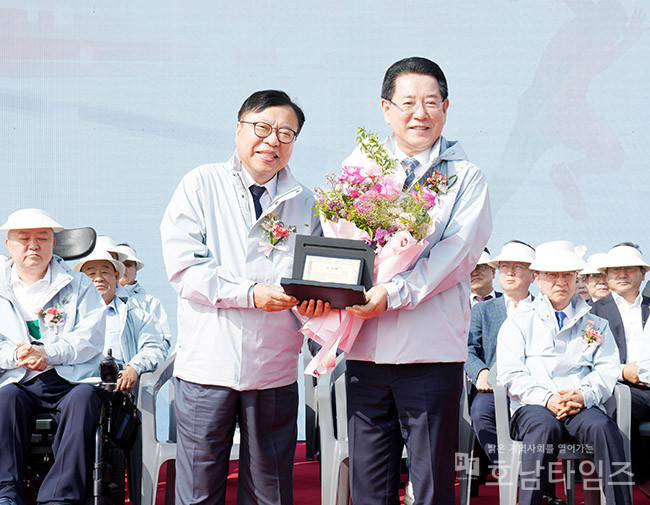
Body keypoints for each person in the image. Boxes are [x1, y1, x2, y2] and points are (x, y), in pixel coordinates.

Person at [160, 89, 327, 505]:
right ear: (239, 129)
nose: (272, 141)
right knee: (198, 491)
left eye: (286, 133)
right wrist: (250, 294)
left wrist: (317, 305)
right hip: (207, 368)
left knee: (270, 492)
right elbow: (185, 269)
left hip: (273, 369)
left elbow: (316, 276)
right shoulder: (201, 184)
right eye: (263, 128)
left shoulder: (307, 203)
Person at [344, 57, 491, 505]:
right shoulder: (357, 169)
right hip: (366, 348)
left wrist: (392, 292)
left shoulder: (464, 177)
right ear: (385, 109)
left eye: (430, 102)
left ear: (446, 108)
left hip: (429, 351)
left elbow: (456, 256)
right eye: (407, 102)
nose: (419, 113)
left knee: (430, 484)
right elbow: (340, 243)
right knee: (369, 484)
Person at [497, 240, 630, 505]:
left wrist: (583, 395)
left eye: (567, 274)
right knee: (544, 427)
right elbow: (511, 373)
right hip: (533, 404)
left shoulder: (595, 323)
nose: (560, 281)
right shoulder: (518, 322)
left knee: (604, 428)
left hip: (580, 402)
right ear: (537, 278)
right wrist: (547, 398)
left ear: (576, 277)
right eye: (551, 274)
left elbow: (606, 368)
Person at [0, 208, 106, 505]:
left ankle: (60, 497)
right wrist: (13, 354)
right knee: (5, 400)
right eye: (24, 238)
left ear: (53, 244)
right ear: (9, 245)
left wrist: (48, 353)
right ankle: (7, 495)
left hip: (68, 380)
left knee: (85, 399)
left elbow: (90, 338)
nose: (33, 245)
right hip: (15, 378)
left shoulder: (79, 285)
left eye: (42, 238)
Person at [466, 240, 535, 465]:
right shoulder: (482, 309)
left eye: (518, 266)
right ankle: (509, 468)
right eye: (505, 266)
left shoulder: (544, 309)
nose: (510, 272)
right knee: (480, 416)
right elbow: (467, 348)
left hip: (536, 388)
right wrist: (479, 373)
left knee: (543, 424)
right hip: (493, 389)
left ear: (534, 274)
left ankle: (536, 481)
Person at [589, 243, 650, 496]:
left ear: (643, 273)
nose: (622, 274)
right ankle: (644, 480)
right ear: (606, 275)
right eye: (616, 270)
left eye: (629, 269)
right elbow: (588, 359)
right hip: (623, 387)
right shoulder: (592, 314)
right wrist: (623, 372)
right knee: (615, 410)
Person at [74, 245, 170, 393]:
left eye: (105, 272)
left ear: (117, 277)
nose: (98, 278)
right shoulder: (68, 314)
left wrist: (133, 368)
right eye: (91, 273)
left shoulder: (137, 313)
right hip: (78, 386)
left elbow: (155, 346)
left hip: (119, 388)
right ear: (80, 280)